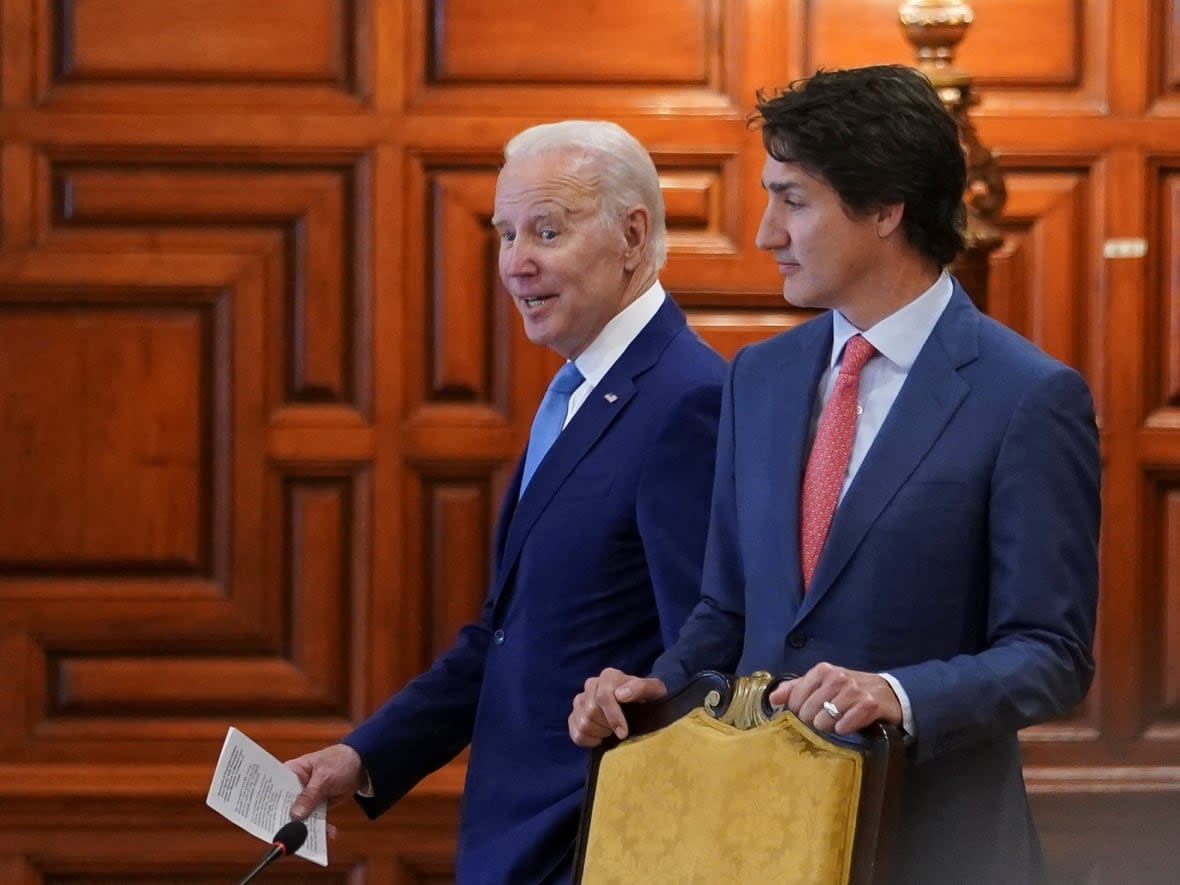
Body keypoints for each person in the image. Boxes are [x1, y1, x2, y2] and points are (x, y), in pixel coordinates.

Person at [568, 64, 1100, 885]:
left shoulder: (1029, 397)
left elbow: (1052, 655)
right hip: (760, 842)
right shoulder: (759, 378)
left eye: (793, 199)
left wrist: (897, 692)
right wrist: (657, 686)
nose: (764, 232)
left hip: (938, 851)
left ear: (886, 207)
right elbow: (727, 610)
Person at [284, 120, 726, 884]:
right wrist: (363, 756)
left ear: (631, 234)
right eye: (506, 233)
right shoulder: (577, 393)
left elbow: (704, 654)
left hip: (597, 842)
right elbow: (504, 635)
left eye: (546, 232)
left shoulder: (689, 400)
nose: (517, 264)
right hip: (520, 841)